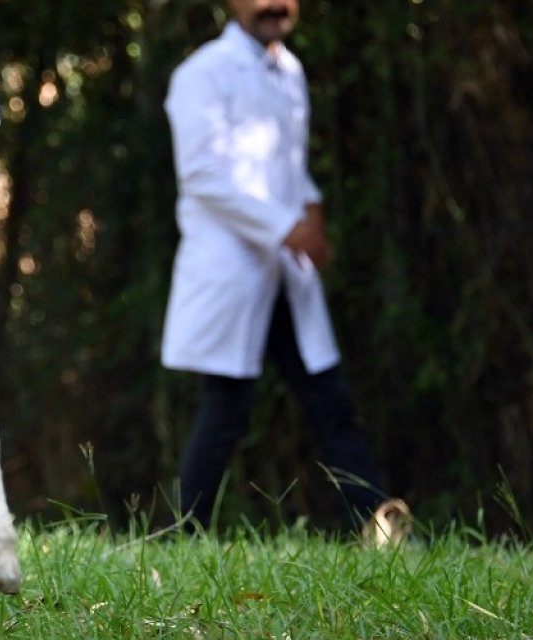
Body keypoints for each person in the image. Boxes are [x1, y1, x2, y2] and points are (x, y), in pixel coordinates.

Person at [161, 0, 402, 536]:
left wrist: (311, 209)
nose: (274, 6)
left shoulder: (290, 70)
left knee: (329, 400)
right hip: (233, 268)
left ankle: (377, 527)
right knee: (227, 409)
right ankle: (182, 535)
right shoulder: (202, 73)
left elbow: (289, 168)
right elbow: (201, 174)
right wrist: (287, 228)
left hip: (285, 270)